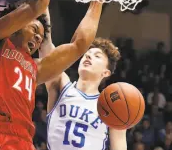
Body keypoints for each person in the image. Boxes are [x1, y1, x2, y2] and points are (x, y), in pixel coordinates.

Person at [0, 0, 103, 150]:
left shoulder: (35, 68)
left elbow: (79, 45)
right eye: (35, 30)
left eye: (40, 37)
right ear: (19, 24)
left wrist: (98, 0)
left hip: (24, 142)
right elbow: (35, 7)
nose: (38, 39)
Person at [39, 10, 126, 150]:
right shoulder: (61, 85)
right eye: (87, 54)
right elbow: (45, 43)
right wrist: (43, 2)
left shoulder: (110, 106)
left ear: (106, 72)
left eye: (97, 56)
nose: (88, 57)